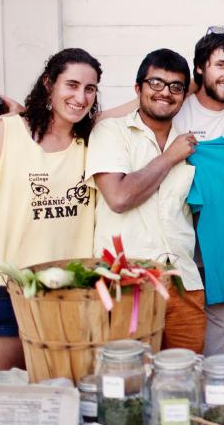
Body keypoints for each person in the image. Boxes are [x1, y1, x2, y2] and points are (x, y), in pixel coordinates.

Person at [0, 48, 101, 369]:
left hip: (70, 291)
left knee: (61, 394)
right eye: (72, 85)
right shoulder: (7, 132)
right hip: (8, 288)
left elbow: (148, 100)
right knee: (4, 392)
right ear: (48, 83)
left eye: (90, 88)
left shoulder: (94, 139)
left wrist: (174, 85)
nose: (81, 97)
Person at [85, 48, 206, 353]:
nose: (166, 93)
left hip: (184, 281)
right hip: (127, 283)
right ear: (138, 88)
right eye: (156, 83)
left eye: (176, 86)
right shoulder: (111, 131)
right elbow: (120, 197)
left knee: (185, 375)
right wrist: (169, 157)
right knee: (128, 377)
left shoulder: (191, 145)